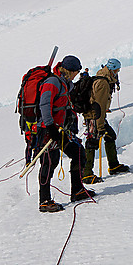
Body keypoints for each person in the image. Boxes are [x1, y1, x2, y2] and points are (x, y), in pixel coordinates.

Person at [36, 55, 94, 212]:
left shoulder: (66, 84)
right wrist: (50, 127)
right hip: (47, 129)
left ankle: (77, 190)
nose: (77, 74)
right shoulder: (52, 82)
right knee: (49, 162)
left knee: (78, 153)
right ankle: (44, 200)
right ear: (68, 70)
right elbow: (44, 105)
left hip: (60, 129)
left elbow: (70, 102)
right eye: (76, 71)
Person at [82, 58, 130, 182]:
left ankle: (113, 165)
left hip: (97, 115)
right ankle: (86, 173)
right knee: (92, 141)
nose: (118, 72)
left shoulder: (103, 77)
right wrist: (100, 125)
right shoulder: (103, 83)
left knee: (110, 136)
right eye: (117, 70)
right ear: (112, 69)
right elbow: (100, 105)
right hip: (94, 116)